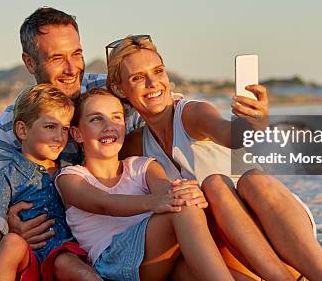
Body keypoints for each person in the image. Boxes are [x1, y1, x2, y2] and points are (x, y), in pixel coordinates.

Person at [106, 35, 322, 281]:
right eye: (138, 78)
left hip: (281, 236)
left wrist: (253, 124)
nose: (153, 83)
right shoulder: (134, 144)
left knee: (233, 182)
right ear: (121, 89)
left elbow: (230, 134)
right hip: (233, 255)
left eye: (158, 71)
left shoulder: (191, 113)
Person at [0, 7, 133, 280]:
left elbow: (165, 104)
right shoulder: (8, 127)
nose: (72, 68)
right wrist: (12, 226)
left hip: (113, 212)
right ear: (30, 63)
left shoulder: (107, 93)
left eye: (77, 54)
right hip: (50, 232)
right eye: (57, 58)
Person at [56, 88, 234, 281]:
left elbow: (166, 190)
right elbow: (105, 203)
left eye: (116, 118)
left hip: (156, 260)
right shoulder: (71, 177)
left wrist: (189, 194)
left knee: (183, 204)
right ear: (77, 133)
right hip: (112, 262)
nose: (109, 126)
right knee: (181, 207)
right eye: (96, 119)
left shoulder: (141, 166)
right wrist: (155, 202)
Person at [0, 84, 86, 281]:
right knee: (11, 242)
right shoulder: (5, 177)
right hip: (27, 259)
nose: (60, 137)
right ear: (22, 130)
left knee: (67, 261)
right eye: (50, 126)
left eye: (65, 129)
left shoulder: (71, 170)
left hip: (64, 253)